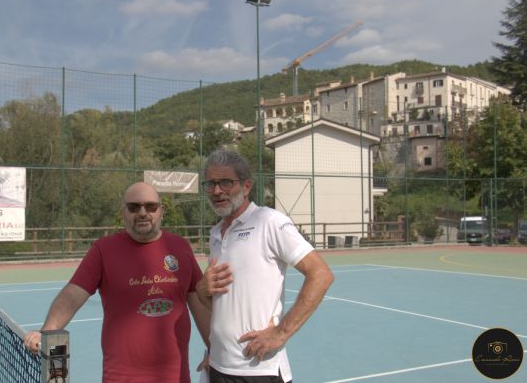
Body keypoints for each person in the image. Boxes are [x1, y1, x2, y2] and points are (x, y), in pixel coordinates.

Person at [24, 182, 210, 382]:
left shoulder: (181, 247)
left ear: (161, 211)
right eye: (134, 207)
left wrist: (215, 348)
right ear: (123, 213)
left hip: (176, 377)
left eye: (150, 206)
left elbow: (198, 303)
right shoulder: (103, 250)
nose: (142, 213)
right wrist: (47, 331)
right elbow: (71, 296)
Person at [196, 149, 334, 383]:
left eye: (226, 183)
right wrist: (202, 291)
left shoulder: (270, 221)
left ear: (246, 186)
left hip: (259, 369)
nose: (217, 191)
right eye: (211, 184)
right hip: (218, 366)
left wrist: (280, 333)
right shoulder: (216, 234)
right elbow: (223, 304)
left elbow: (320, 274)